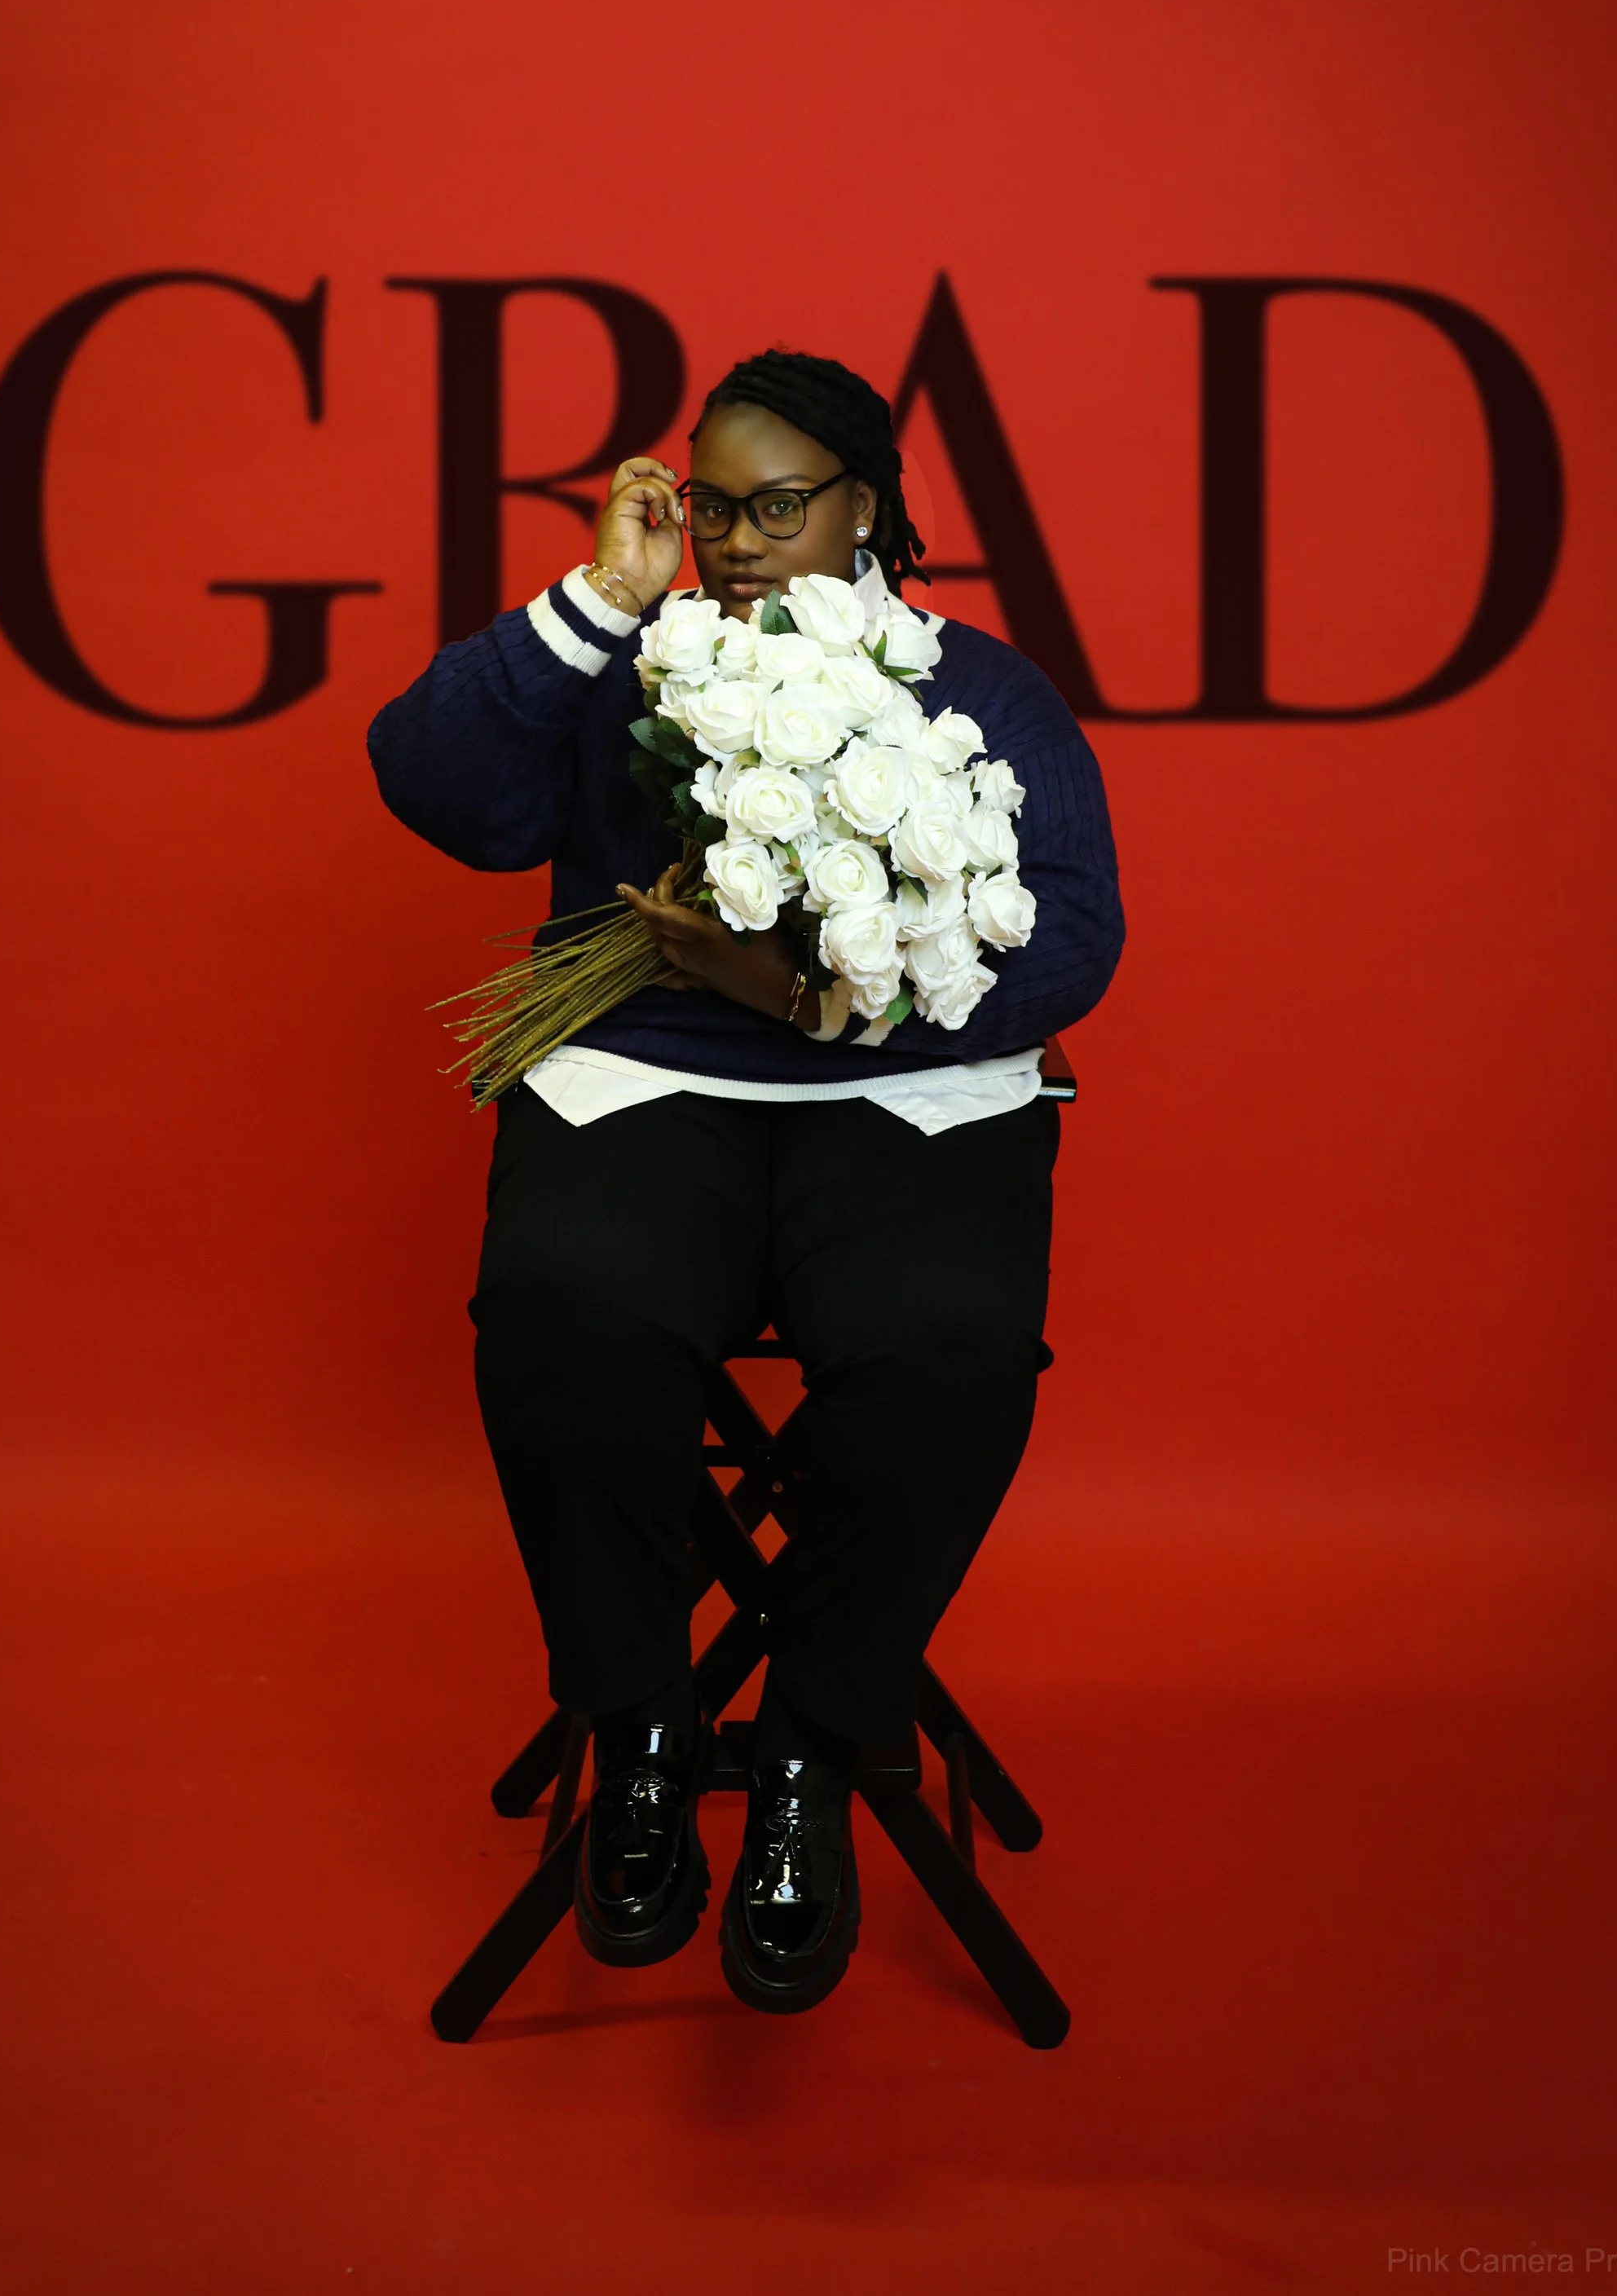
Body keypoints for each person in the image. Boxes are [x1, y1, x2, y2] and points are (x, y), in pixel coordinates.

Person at [368, 350, 1124, 2015]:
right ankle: (640, 1727)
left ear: (866, 505)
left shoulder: (978, 689)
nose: (733, 536)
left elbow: (1073, 935)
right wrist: (589, 601)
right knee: (565, 1315)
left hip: (908, 1097)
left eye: (774, 502)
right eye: (706, 504)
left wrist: (815, 995)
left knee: (944, 1348)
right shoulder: (626, 664)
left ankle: (808, 1742)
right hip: (644, 1076)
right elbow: (430, 783)